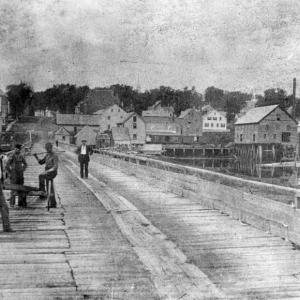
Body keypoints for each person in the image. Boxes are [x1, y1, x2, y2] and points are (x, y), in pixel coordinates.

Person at [34, 142, 58, 208]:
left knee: (41, 176)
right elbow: (41, 162)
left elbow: (55, 167)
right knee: (50, 187)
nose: (47, 150)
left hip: (52, 172)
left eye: (49, 148)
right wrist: (36, 157)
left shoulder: (54, 155)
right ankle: (52, 203)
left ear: (51, 148)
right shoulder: (47, 155)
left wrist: (47, 171)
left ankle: (42, 191)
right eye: (46, 149)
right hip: (47, 172)